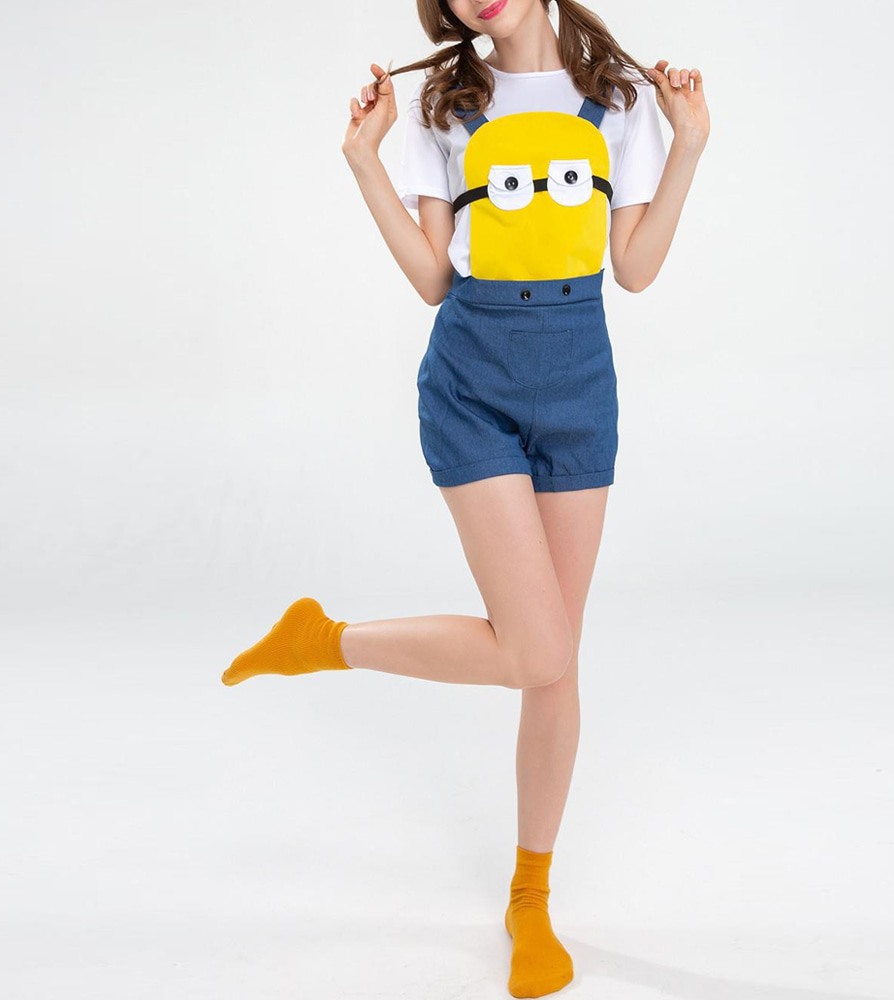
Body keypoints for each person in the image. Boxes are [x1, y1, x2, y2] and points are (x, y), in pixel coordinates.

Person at [222, 0, 709, 995]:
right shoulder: (446, 101)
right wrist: (364, 163)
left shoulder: (618, 100)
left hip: (579, 392)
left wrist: (690, 145)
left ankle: (531, 901)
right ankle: (327, 641)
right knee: (539, 649)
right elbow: (433, 280)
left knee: (554, 662)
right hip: (471, 387)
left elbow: (634, 268)